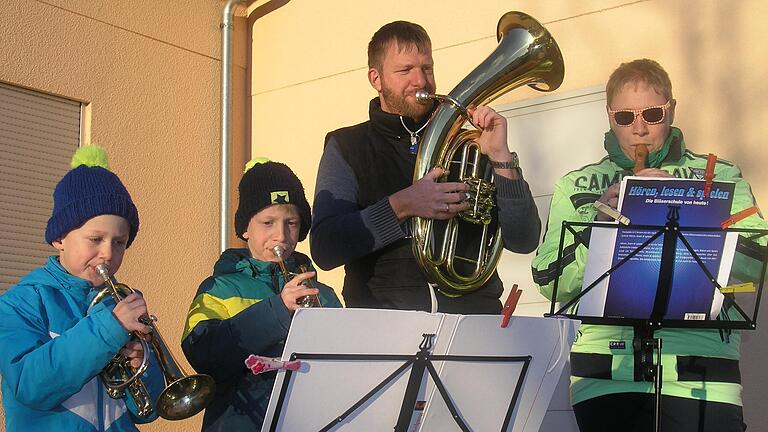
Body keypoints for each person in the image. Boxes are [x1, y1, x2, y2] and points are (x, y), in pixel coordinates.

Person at [532, 58, 768, 432]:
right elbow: (549, 280)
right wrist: (600, 221)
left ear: (671, 110)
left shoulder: (719, 175)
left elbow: (754, 268)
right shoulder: (575, 185)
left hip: (704, 371)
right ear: (610, 117)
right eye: (625, 117)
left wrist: (684, 205)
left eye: (653, 114)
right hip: (606, 375)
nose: (639, 129)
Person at [311, 20, 541, 314]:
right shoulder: (346, 145)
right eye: (405, 70)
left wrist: (501, 158)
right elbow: (326, 248)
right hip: (384, 321)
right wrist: (401, 206)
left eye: (427, 68)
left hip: (474, 318)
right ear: (376, 78)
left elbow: (524, 240)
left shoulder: (471, 142)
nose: (420, 80)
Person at [0, 145, 162, 431]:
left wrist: (142, 366)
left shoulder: (117, 302)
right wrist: (109, 328)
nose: (107, 254)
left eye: (119, 242)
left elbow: (147, 412)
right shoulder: (20, 303)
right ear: (59, 238)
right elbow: (30, 386)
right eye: (95, 239)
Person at [181, 159, 342, 431]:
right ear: (245, 229)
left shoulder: (324, 295)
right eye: (268, 222)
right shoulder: (219, 288)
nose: (281, 235)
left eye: (291, 223)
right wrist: (277, 310)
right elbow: (202, 354)